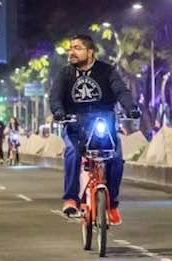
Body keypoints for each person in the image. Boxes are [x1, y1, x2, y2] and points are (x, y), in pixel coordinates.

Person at [50, 34, 141, 225]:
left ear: (90, 52)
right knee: (72, 153)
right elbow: (55, 97)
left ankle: (113, 204)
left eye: (77, 48)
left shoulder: (106, 71)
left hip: (104, 123)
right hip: (75, 125)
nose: (72, 52)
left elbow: (121, 91)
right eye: (70, 49)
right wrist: (59, 112)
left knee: (116, 159)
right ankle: (70, 199)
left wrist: (131, 108)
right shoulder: (65, 74)